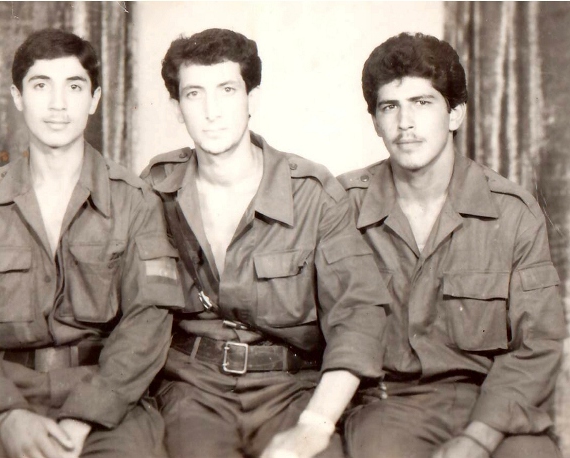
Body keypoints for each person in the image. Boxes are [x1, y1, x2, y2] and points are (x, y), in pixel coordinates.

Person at [0, 28, 184, 458]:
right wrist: (7, 413)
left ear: (95, 99)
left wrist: (86, 415)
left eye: (74, 86)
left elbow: (148, 321)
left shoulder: (134, 199)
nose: (57, 104)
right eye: (40, 85)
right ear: (17, 97)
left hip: (104, 396)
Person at [141, 28, 390, 458]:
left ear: (251, 99)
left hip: (290, 388)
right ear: (177, 108)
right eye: (195, 94)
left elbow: (359, 315)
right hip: (191, 389)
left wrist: (315, 425)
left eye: (227, 90)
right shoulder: (155, 188)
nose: (212, 111)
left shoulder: (311, 192)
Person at [337, 32, 566, 458]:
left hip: (493, 402)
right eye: (390, 107)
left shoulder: (513, 212)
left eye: (422, 103)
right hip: (389, 405)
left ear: (456, 113)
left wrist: (480, 436)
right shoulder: (341, 207)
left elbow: (539, 344)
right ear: (376, 122)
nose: (405, 123)